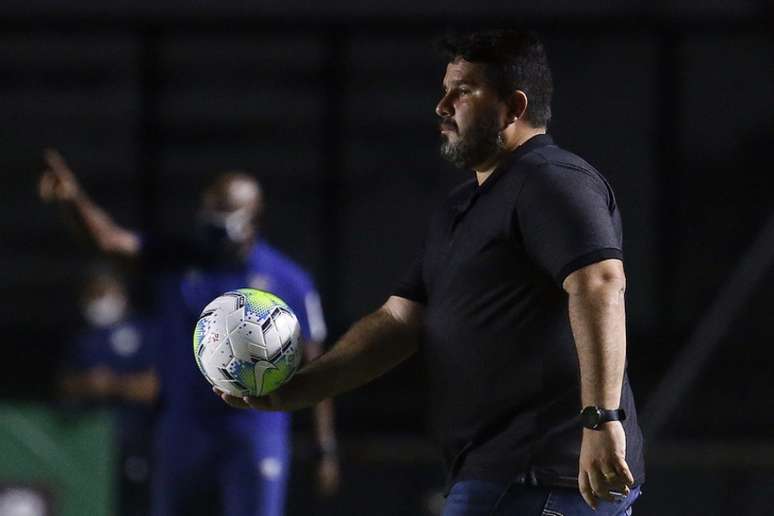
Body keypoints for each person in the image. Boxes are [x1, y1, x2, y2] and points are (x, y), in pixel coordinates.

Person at [215, 29, 646, 516]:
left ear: (514, 106)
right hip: (497, 474)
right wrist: (297, 390)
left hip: (549, 473)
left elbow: (600, 282)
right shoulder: (462, 207)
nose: (443, 105)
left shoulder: (552, 179)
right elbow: (399, 323)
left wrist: (602, 418)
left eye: (463, 90)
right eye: (445, 89)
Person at [39, 152, 339, 516]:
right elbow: (110, 241)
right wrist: (74, 201)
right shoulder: (181, 259)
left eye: (224, 215)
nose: (213, 224)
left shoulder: (289, 281)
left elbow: (319, 364)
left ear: (253, 218)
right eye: (209, 212)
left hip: (254, 427)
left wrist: (325, 447)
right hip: (185, 426)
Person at [60, 269, 159, 516]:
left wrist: (113, 384)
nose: (98, 301)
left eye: (103, 293)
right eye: (92, 294)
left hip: (141, 441)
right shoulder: (84, 338)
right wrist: (87, 384)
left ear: (120, 293)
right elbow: (64, 384)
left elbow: (155, 387)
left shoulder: (146, 332)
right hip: (93, 444)